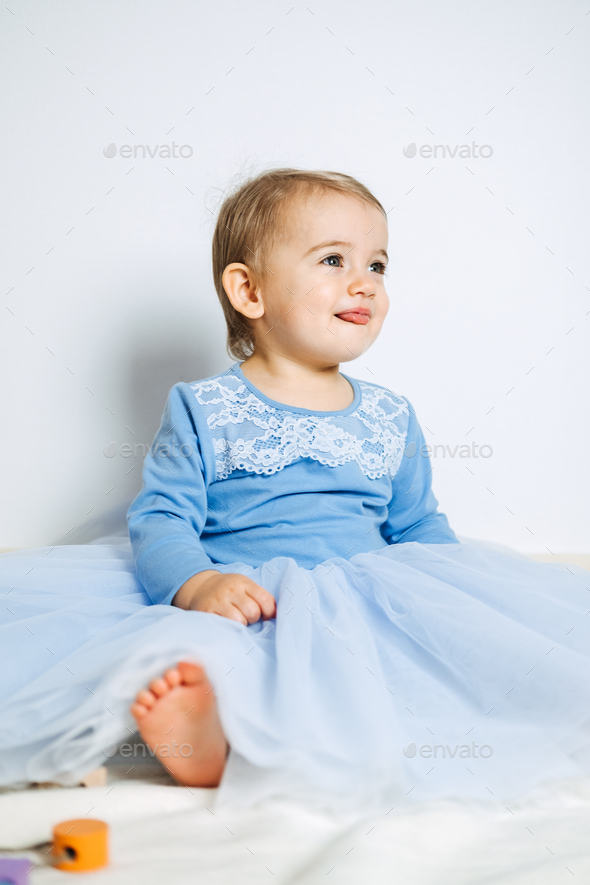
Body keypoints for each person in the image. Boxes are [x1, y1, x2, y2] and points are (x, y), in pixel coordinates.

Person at [1, 169, 589, 816]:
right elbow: (162, 515)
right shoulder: (206, 406)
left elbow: (419, 526)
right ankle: (207, 738)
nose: (364, 281)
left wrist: (459, 612)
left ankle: (265, 733)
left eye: (378, 264)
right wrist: (197, 584)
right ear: (248, 289)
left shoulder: (391, 414)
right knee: (219, 652)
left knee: (390, 679)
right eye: (334, 260)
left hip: (360, 601)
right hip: (246, 593)